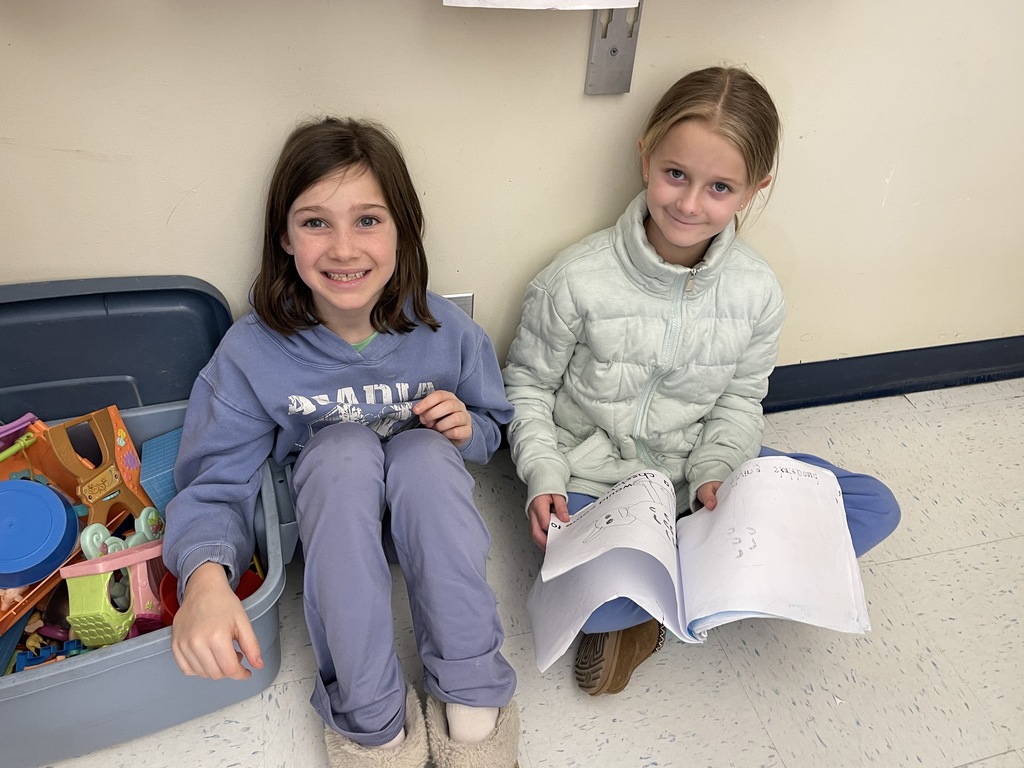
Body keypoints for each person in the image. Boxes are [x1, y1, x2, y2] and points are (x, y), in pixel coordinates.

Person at [502, 66, 901, 696]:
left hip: (703, 476)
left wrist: (718, 470)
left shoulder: (757, 290)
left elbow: (742, 399)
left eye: (719, 187)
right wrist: (544, 478)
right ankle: (676, 597)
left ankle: (673, 593)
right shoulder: (575, 278)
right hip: (597, 484)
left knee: (874, 506)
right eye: (676, 175)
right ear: (646, 156)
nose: (689, 204)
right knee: (597, 602)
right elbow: (525, 388)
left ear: (753, 190)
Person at [163, 117, 520, 768]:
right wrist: (205, 582)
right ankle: (370, 721)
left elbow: (494, 424)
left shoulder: (450, 331)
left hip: (428, 513)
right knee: (341, 450)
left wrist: (470, 429)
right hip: (336, 528)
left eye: (367, 220)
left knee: (422, 454)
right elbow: (215, 479)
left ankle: (472, 701)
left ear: (402, 231)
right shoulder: (252, 352)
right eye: (315, 222)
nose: (344, 248)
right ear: (284, 237)